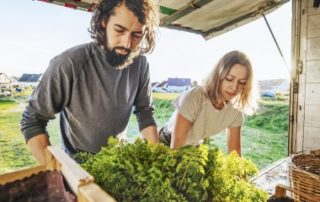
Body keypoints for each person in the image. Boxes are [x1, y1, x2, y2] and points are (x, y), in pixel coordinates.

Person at [20, 0, 159, 164]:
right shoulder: (70, 62)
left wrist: (157, 159)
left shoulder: (140, 64)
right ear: (104, 21)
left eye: (137, 35)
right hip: (79, 166)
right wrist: (61, 172)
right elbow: (32, 120)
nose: (127, 43)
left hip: (119, 162)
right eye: (119, 30)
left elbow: (145, 113)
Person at [160, 51, 258, 156]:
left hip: (193, 149)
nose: (234, 88)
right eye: (229, 79)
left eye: (241, 82)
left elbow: (235, 153)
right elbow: (176, 148)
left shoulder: (236, 110)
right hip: (166, 144)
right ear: (218, 75)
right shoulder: (193, 98)